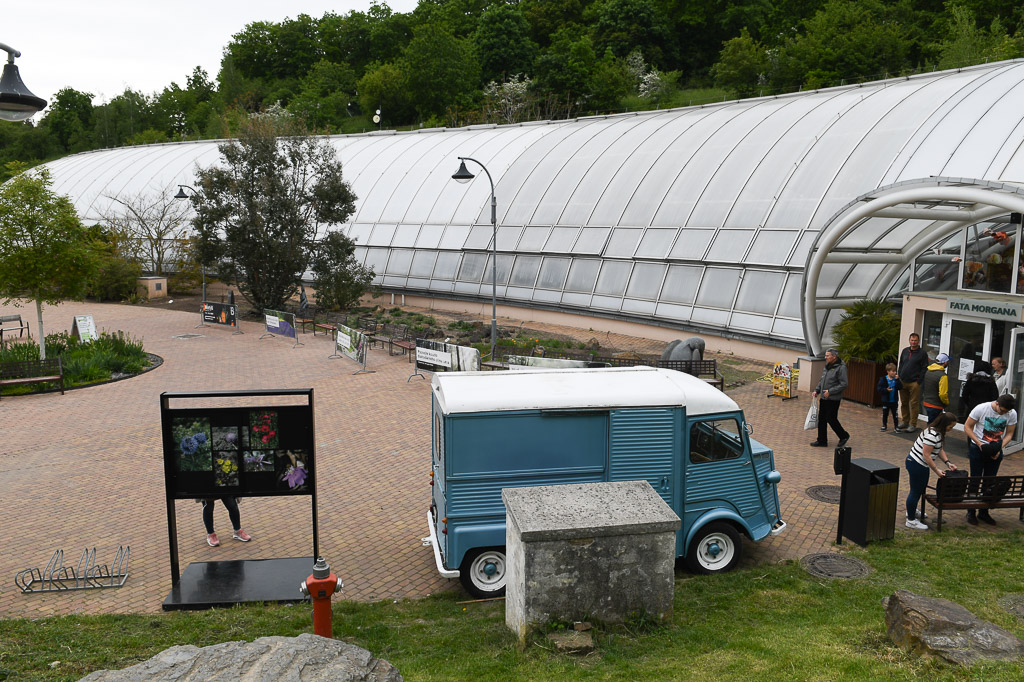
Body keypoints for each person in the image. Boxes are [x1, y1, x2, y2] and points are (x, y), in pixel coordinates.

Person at [964, 394, 1018, 525]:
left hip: (995, 448)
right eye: (1002, 411)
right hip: (978, 447)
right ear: (997, 404)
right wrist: (979, 443)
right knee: (975, 480)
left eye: (1007, 412)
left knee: (990, 480)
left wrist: (999, 448)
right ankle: (970, 511)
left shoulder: (1012, 413)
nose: (1004, 413)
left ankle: (984, 511)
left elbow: (1010, 433)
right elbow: (967, 427)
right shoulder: (981, 409)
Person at [904, 412, 958, 530]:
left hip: (919, 464)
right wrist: (936, 470)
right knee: (915, 491)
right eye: (950, 427)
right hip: (917, 464)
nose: (951, 429)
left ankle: (911, 511)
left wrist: (948, 463)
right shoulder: (931, 435)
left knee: (918, 490)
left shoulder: (937, 433)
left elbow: (939, 449)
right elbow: (926, 455)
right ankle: (911, 520)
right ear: (944, 425)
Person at [810, 348, 849, 448]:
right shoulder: (827, 366)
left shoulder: (841, 368)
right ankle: (822, 440)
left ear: (834, 356)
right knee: (822, 419)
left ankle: (843, 435)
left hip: (833, 399)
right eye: (825, 355)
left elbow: (844, 384)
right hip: (824, 397)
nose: (825, 357)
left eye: (827, 356)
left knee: (831, 418)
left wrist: (830, 392)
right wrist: (817, 390)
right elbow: (822, 380)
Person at [896, 333, 929, 433]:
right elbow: (901, 364)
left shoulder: (922, 353)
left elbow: (924, 368)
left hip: (914, 383)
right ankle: (905, 421)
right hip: (903, 381)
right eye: (912, 340)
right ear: (909, 340)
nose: (913, 342)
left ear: (918, 341)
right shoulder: (905, 351)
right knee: (904, 403)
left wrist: (918, 381)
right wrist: (899, 375)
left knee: (914, 404)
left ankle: (912, 424)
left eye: (915, 340)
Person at [920, 353, 951, 424]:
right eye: (948, 361)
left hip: (926, 402)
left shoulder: (928, 371)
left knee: (930, 422)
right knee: (934, 425)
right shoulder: (943, 376)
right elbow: (943, 394)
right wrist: (946, 403)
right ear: (945, 362)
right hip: (936, 405)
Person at [876, 363, 903, 431]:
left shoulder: (896, 379)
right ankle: (884, 425)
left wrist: (897, 380)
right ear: (888, 371)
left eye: (895, 371)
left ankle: (896, 426)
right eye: (893, 371)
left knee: (895, 415)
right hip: (886, 400)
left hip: (894, 400)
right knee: (885, 414)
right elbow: (879, 388)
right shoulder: (883, 379)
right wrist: (886, 390)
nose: (895, 372)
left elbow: (900, 387)